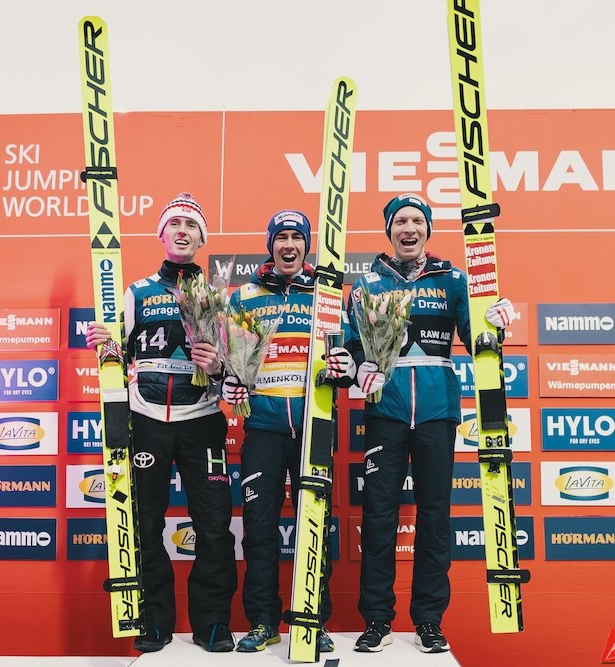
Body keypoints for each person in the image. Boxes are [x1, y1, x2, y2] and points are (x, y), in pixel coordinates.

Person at [343, 193, 513, 654]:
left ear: (428, 229)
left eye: (417, 221)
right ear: (389, 231)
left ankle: (429, 621)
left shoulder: (453, 279)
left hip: (437, 412)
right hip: (386, 410)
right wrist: (359, 367)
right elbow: (350, 343)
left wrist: (494, 324)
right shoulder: (367, 285)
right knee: (379, 517)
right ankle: (377, 619)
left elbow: (477, 338)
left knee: (435, 518)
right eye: (400, 221)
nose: (409, 228)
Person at [86, 192, 238, 654]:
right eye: (174, 224)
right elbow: (118, 353)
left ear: (202, 239)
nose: (182, 231)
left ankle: (213, 623)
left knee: (214, 525)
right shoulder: (137, 292)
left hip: (202, 420)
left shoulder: (217, 296)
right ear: (161, 234)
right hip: (147, 419)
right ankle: (154, 620)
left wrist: (218, 366)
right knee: (145, 521)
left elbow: (236, 371)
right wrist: (105, 342)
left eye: (191, 226)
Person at [220, 210, 354, 653]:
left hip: (314, 424)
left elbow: (348, 354)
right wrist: (230, 382)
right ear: (271, 245)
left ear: (307, 244)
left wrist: (348, 366)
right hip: (263, 427)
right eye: (282, 237)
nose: (289, 244)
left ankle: (313, 620)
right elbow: (230, 362)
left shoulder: (326, 295)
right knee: (259, 527)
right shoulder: (245, 296)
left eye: (298, 236)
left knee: (314, 524)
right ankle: (263, 622)